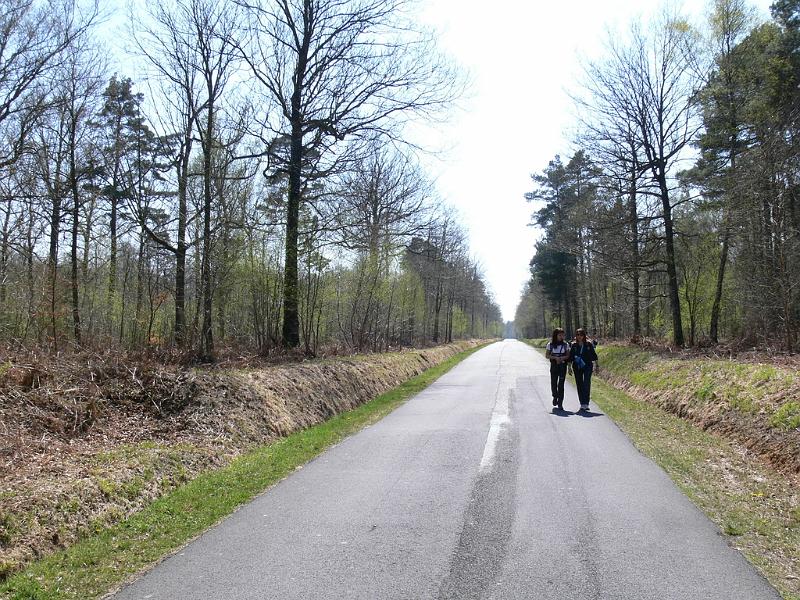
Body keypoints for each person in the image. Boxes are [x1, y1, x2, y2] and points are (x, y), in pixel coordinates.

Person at [568, 328, 599, 412]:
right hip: (577, 367)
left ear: (584, 335)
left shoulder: (588, 344)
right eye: (577, 334)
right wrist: (569, 367)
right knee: (579, 384)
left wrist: (597, 366)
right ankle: (582, 403)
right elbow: (570, 357)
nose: (579, 336)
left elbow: (594, 355)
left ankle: (586, 403)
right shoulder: (574, 345)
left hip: (587, 366)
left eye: (581, 334)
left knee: (586, 383)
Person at [545, 328, 570, 410]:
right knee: (554, 383)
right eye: (560, 335)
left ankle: (560, 403)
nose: (561, 336)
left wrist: (562, 358)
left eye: (563, 335)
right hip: (554, 366)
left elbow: (568, 355)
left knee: (561, 384)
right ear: (555, 335)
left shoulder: (566, 344)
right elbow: (547, 355)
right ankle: (555, 396)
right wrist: (555, 358)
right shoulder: (550, 344)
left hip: (562, 366)